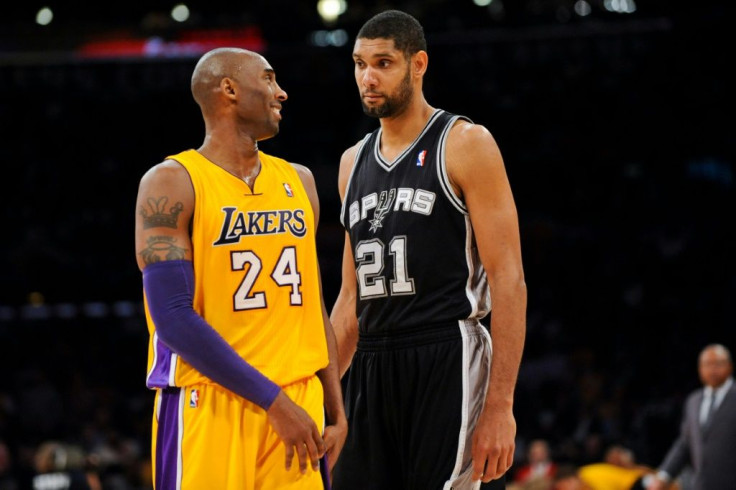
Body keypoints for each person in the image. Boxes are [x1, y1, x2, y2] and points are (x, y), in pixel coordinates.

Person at [330, 9, 527, 489]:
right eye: (359, 64)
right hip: (373, 363)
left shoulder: (464, 143)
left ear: (418, 64)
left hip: (446, 352)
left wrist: (501, 407)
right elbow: (349, 301)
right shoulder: (351, 164)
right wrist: (322, 394)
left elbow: (509, 280)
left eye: (382, 63)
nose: (367, 78)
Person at [134, 47, 347, 490]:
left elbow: (313, 306)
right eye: (268, 79)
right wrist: (272, 402)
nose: (281, 92)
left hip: (298, 400)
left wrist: (336, 409)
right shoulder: (172, 181)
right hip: (210, 402)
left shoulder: (299, 181)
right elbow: (172, 317)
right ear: (228, 89)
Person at [646, 343, 736, 490]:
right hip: (700, 485)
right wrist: (664, 475)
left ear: (730, 367)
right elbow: (685, 443)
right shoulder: (693, 401)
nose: (712, 369)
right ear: (700, 369)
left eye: (718, 364)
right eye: (707, 364)